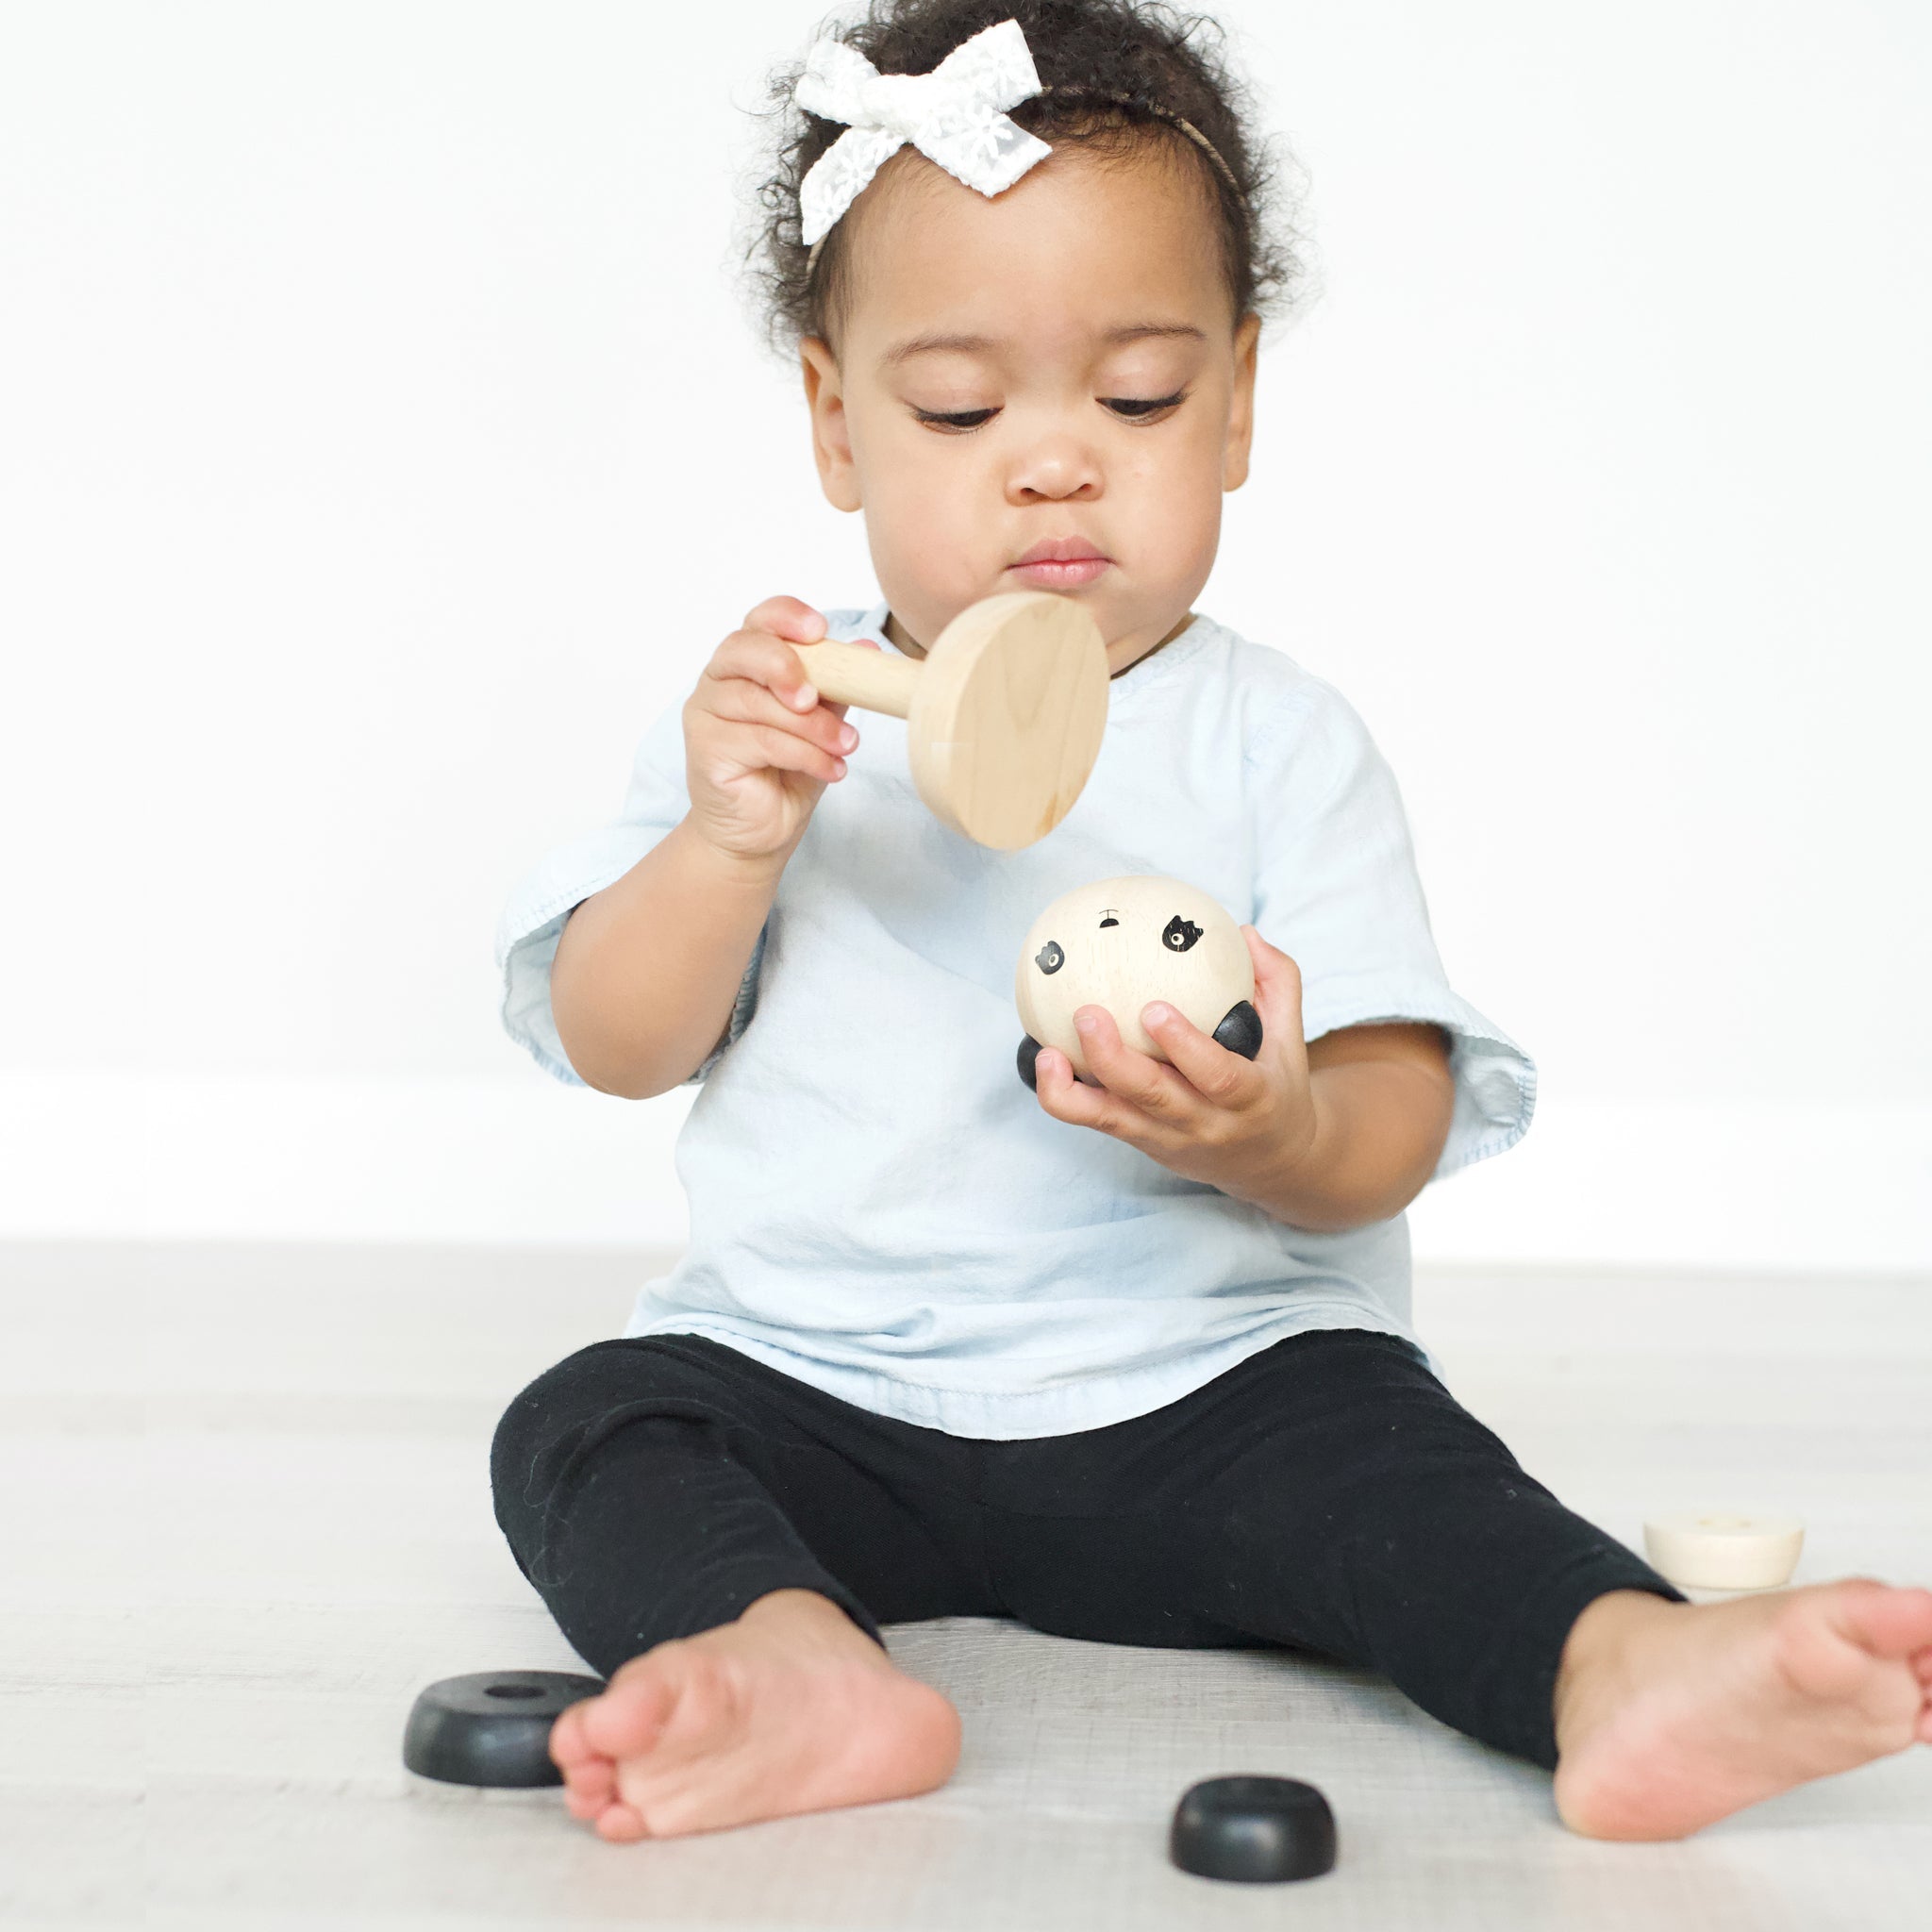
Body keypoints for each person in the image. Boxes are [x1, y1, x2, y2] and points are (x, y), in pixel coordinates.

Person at [489, 0, 1932, 1847]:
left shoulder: (1276, 743)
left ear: (1237, 400)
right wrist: (722, 846)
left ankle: (1615, 1667)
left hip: (1210, 1391)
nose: (1054, 460)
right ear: (833, 418)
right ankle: (792, 1658)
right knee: (591, 1422)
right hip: (824, 1382)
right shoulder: (788, 727)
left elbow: (1394, 1110)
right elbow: (623, 1045)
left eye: (1140, 396)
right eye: (956, 405)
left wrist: (1279, 1128)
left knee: (1402, 1474)